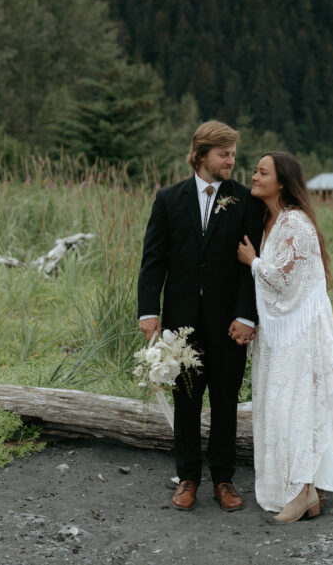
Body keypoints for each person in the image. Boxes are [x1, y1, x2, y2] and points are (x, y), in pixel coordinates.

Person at [237, 152, 333, 522]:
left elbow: (290, 282)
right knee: (276, 406)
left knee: (294, 407)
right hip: (276, 334)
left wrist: (253, 262)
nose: (254, 176)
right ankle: (307, 492)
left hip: (298, 335)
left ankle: (302, 489)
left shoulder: (296, 223)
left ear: (283, 182)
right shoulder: (268, 220)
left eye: (262, 172)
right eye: (255, 171)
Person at [138, 120, 264, 512]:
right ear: (202, 155)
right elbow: (154, 260)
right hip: (181, 323)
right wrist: (148, 311)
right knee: (187, 401)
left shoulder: (246, 200)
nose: (232, 161)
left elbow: (250, 264)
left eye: (233, 154)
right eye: (224, 154)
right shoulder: (168, 199)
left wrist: (247, 316)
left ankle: (224, 480)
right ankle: (188, 477)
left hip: (229, 324)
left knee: (226, 402)